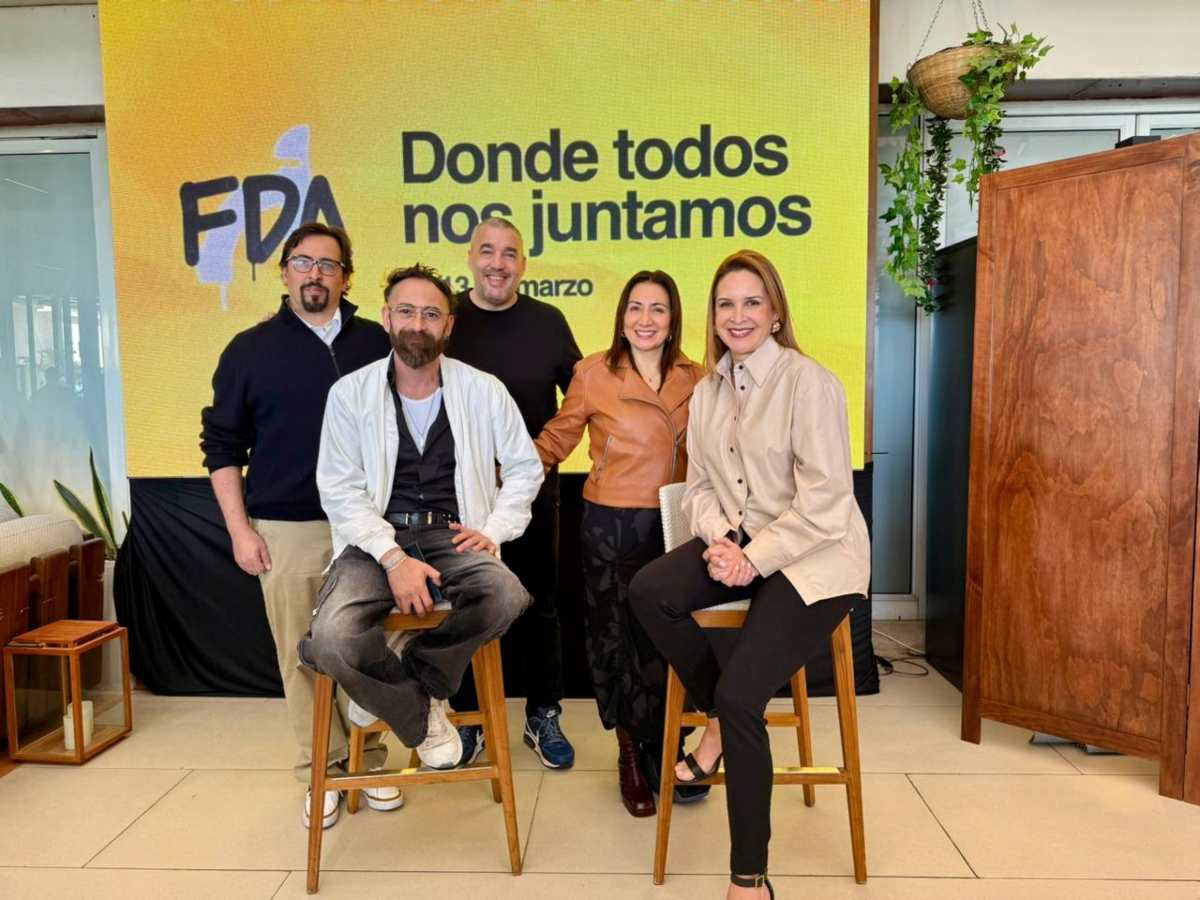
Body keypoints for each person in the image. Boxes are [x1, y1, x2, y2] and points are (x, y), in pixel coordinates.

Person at [630, 250, 870, 900]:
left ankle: (749, 881)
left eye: (752, 302)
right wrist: (719, 538)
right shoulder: (708, 391)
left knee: (744, 698)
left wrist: (752, 557)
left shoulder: (809, 383)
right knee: (649, 592)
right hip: (742, 545)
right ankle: (719, 718)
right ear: (713, 317)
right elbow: (700, 487)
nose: (738, 316)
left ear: (776, 313)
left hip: (816, 556)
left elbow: (826, 503)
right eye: (726, 304)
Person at [299, 263, 542, 772]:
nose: (417, 324)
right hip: (373, 539)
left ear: (448, 325)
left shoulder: (484, 390)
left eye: (431, 314)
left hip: (451, 532)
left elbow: (525, 468)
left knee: (507, 595)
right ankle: (418, 707)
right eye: (406, 311)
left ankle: (407, 678)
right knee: (333, 641)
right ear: (387, 318)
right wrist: (392, 558)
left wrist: (494, 529)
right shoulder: (350, 394)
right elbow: (339, 490)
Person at [200, 221, 392, 830]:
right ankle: (323, 770)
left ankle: (371, 760)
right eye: (303, 262)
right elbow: (221, 447)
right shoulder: (249, 350)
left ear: (346, 278)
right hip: (288, 525)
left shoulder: (377, 342)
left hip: (370, 526)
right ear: (284, 272)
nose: (315, 274)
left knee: (368, 647)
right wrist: (240, 530)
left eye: (329, 265)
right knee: (302, 654)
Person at [534, 270, 707, 817]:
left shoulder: (699, 377)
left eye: (658, 309)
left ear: (673, 319)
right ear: (622, 316)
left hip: (675, 525)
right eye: (636, 307)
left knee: (665, 640)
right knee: (616, 643)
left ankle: (668, 746)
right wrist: (500, 479)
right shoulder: (594, 372)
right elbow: (557, 438)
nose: (645, 319)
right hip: (610, 525)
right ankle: (630, 752)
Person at [444, 217, 582, 769]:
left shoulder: (548, 322)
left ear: (523, 264)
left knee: (539, 604)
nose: (497, 263)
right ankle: (471, 721)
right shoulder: (445, 318)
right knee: (466, 606)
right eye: (487, 251)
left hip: (530, 494)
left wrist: (541, 454)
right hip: (456, 497)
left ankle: (542, 713)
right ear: (470, 258)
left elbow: (582, 400)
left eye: (509, 254)